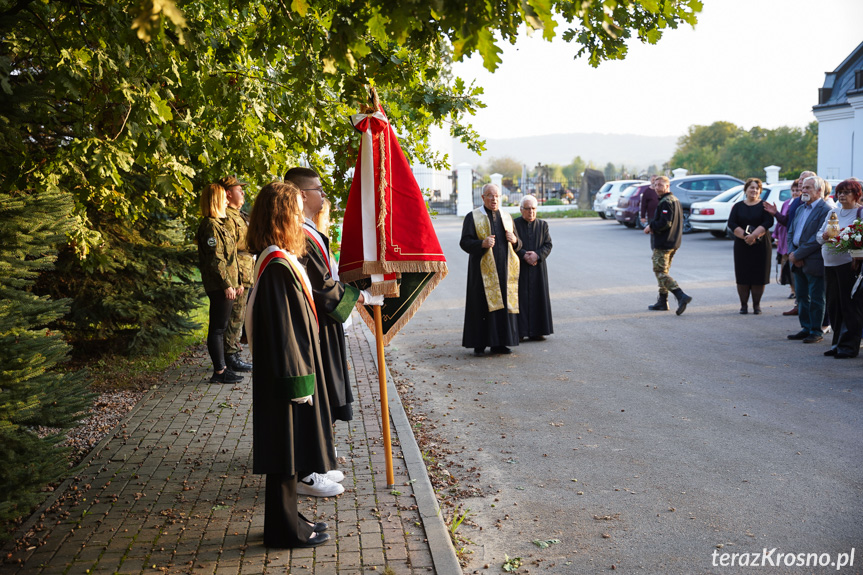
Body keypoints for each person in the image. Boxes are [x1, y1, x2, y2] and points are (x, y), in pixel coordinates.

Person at [244, 181, 335, 549]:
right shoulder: (278, 264)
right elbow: (284, 330)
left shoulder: (277, 257)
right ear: (282, 215)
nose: (301, 216)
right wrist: (300, 384)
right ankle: (284, 532)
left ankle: (290, 520)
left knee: (290, 454)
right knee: (285, 453)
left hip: (285, 373)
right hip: (286, 378)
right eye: (296, 209)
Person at [285, 167, 383, 497]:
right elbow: (321, 287)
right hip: (313, 325)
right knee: (316, 395)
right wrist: (364, 298)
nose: (324, 195)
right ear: (301, 195)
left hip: (323, 326)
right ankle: (307, 472)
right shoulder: (298, 234)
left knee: (327, 393)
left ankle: (317, 461)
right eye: (318, 189)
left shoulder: (310, 230)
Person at [461, 183, 522, 355]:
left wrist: (515, 240)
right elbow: (464, 242)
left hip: (504, 270)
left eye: (496, 196)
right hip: (482, 272)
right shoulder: (472, 217)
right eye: (490, 195)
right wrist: (482, 243)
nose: (494, 199)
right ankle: (479, 344)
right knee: (481, 306)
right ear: (483, 197)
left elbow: (519, 244)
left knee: (502, 306)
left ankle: (500, 344)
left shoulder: (507, 217)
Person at [196, 183, 243, 384]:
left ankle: (223, 368)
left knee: (221, 327)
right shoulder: (210, 226)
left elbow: (231, 257)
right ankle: (220, 371)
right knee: (217, 328)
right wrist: (226, 284)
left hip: (228, 283)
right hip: (218, 285)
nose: (226, 200)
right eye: (223, 197)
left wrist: (237, 282)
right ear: (216, 200)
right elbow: (216, 259)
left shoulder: (220, 224)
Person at [816, 179, 863, 358]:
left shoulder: (860, 213)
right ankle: (837, 343)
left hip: (849, 265)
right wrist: (825, 236)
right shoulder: (833, 212)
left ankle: (849, 346)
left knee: (849, 306)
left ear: (856, 194)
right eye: (840, 192)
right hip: (829, 264)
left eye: (847, 192)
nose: (842, 195)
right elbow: (819, 236)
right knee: (834, 305)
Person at [786, 175, 834, 343]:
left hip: (813, 260)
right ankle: (805, 327)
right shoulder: (800, 208)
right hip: (796, 258)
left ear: (819, 191)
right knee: (801, 296)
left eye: (807, 188)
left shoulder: (826, 209)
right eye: (802, 188)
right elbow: (791, 232)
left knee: (816, 297)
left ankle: (816, 330)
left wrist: (798, 255)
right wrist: (792, 253)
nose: (803, 191)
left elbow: (817, 238)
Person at [768, 171, 816, 316]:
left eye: (805, 180)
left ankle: (817, 324)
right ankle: (800, 310)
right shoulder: (796, 201)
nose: (801, 183)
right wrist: (776, 213)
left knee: (814, 288)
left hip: (811, 252)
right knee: (798, 283)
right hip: (794, 248)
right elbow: (789, 225)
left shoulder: (820, 204)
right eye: (800, 180)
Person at [219, 176, 253, 373]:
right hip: (238, 270)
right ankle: (230, 356)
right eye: (239, 190)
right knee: (235, 315)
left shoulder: (239, 215)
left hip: (245, 269)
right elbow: (229, 250)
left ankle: (232, 351)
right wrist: (236, 279)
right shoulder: (229, 217)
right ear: (228, 193)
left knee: (238, 315)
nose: (243, 193)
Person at [644, 176, 692, 314]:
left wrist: (650, 226)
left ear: (667, 186)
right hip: (673, 242)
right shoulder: (674, 200)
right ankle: (662, 301)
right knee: (663, 271)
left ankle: (680, 295)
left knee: (660, 272)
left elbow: (665, 223)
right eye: (655, 185)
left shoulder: (667, 202)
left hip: (664, 243)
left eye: (660, 185)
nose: (657, 188)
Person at [727, 178, 774, 314]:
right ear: (745, 189)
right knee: (743, 275)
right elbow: (732, 223)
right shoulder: (738, 206)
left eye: (757, 188)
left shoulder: (765, 206)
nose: (754, 190)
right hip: (742, 245)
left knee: (759, 275)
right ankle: (743, 305)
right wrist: (746, 237)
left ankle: (756, 305)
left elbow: (768, 222)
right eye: (751, 187)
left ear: (760, 191)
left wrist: (754, 235)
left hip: (761, 245)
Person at [514, 195, 553, 341]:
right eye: (528, 209)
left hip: (538, 268)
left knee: (538, 297)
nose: (531, 212)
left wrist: (537, 255)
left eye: (534, 209)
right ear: (521, 209)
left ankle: (538, 331)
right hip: (520, 267)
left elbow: (548, 244)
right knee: (521, 298)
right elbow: (511, 244)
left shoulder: (543, 225)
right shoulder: (514, 224)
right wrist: (524, 255)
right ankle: (521, 331)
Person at [767, 179, 800, 309]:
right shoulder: (787, 203)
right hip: (783, 238)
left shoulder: (799, 204)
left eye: (797, 190)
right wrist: (775, 236)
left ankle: (797, 291)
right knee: (785, 266)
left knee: (793, 266)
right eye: (793, 190)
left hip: (791, 239)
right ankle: (792, 290)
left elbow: (785, 220)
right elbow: (780, 221)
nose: (795, 192)